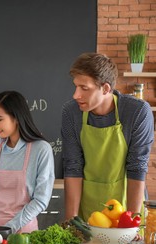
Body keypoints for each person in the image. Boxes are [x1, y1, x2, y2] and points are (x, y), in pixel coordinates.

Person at [62, 52, 154, 222]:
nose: (76, 95)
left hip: (127, 208)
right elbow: (73, 167)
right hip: (87, 213)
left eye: (84, 88)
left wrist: (132, 223)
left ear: (105, 88)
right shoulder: (71, 113)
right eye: (75, 86)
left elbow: (137, 167)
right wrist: (71, 223)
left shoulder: (137, 112)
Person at [0, 91, 55, 233]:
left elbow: (40, 200)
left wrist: (9, 228)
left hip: (23, 232)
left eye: (0, 119)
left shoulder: (41, 149)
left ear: (17, 118)